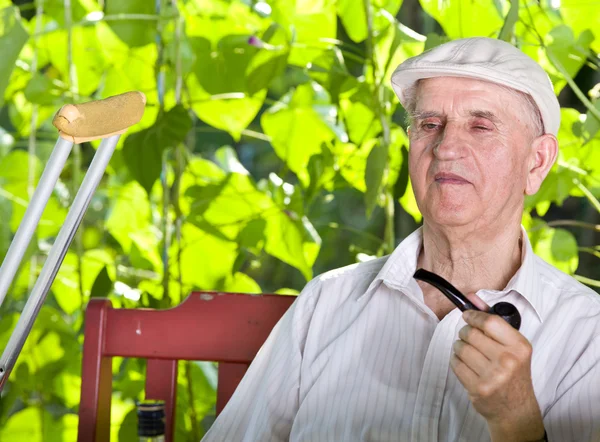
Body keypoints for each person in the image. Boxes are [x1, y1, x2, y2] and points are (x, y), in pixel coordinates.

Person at [201, 37, 600, 441]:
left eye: (480, 126)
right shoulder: (326, 304)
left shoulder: (588, 334)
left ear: (537, 162)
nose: (445, 148)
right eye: (429, 125)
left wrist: (518, 422)